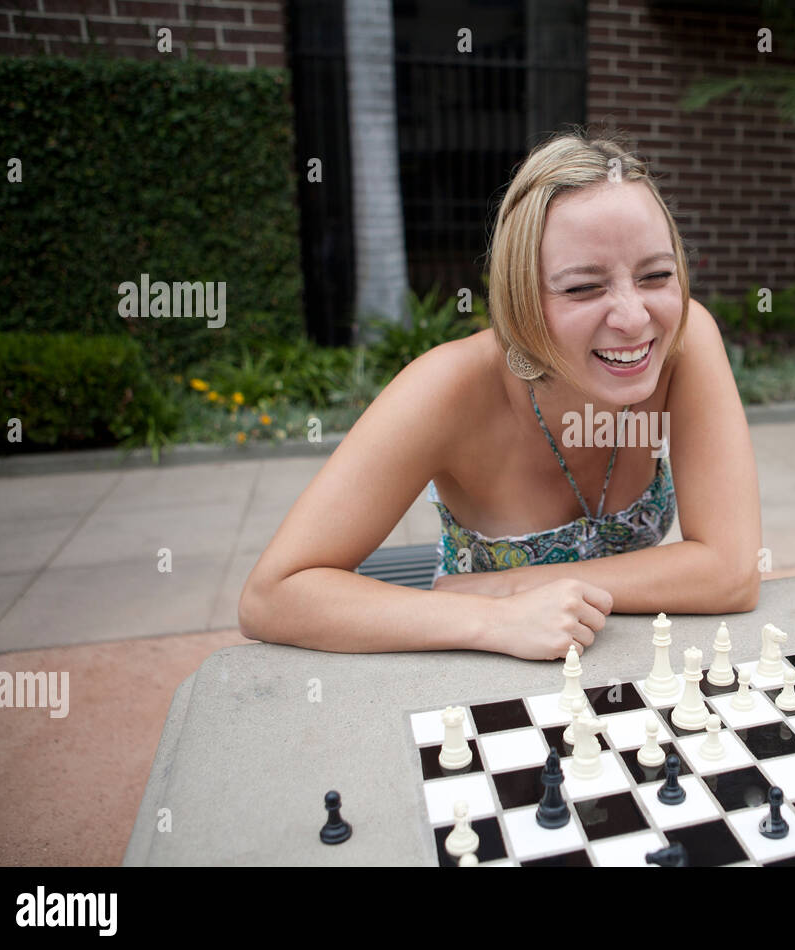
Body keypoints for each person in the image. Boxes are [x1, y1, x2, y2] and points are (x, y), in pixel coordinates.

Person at [238, 127, 761, 660]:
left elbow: (731, 570)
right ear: (519, 295)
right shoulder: (446, 387)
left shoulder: (684, 339)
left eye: (655, 275)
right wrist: (491, 618)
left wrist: (512, 584)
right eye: (583, 287)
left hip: (620, 669)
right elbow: (273, 595)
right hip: (473, 675)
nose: (633, 318)